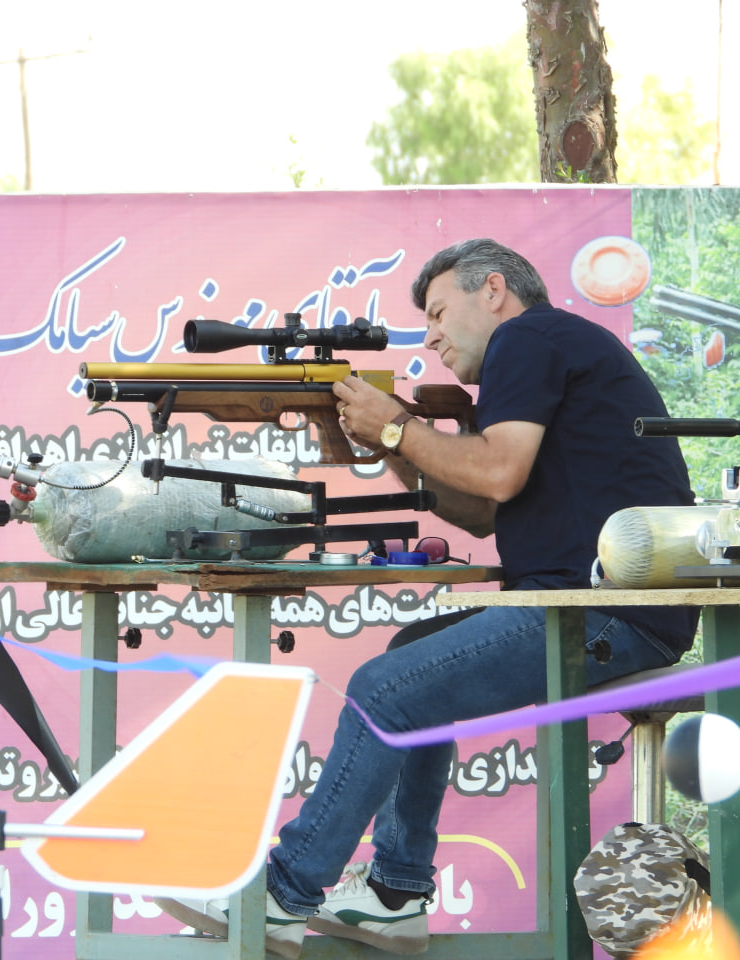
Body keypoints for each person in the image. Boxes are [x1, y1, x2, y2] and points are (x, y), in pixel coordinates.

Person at [159, 238, 700, 958]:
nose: (433, 338)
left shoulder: (526, 338)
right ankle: (395, 893)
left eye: (440, 314)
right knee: (409, 653)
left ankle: (282, 896)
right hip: (590, 606)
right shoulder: (547, 348)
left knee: (384, 689)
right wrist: (389, 442)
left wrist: (395, 424)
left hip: (600, 613)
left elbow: (498, 472)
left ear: (494, 290)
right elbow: (481, 509)